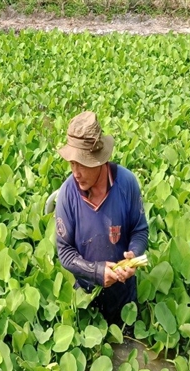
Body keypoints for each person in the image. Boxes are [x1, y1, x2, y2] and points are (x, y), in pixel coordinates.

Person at [54, 111, 149, 326]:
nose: (75, 173)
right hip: (86, 298)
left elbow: (140, 230)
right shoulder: (67, 194)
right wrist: (95, 272)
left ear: (99, 161)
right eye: (72, 163)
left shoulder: (127, 184)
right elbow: (65, 252)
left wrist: (134, 254)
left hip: (124, 297)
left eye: (82, 164)